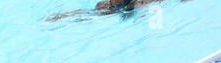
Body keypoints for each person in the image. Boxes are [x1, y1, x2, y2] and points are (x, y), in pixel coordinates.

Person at [45, 0, 191, 21]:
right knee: (94, 13)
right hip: (126, 7)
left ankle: (60, 16)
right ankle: (61, 16)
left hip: (125, 7)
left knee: (92, 13)